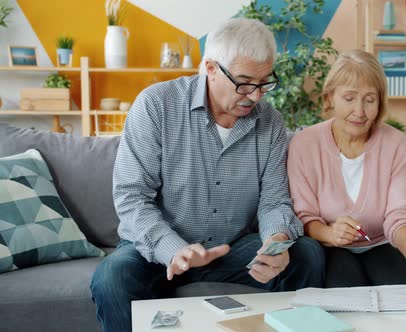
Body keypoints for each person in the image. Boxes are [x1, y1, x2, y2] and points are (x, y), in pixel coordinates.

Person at [90, 18, 324, 332]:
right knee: (112, 278)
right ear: (211, 69)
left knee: (306, 254)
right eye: (244, 82)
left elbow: (274, 202)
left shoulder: (271, 122)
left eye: (264, 82)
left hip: (231, 249)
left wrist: (276, 244)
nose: (255, 96)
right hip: (160, 251)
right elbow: (132, 199)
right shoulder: (156, 106)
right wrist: (174, 249)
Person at [287, 49, 406, 294]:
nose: (360, 111)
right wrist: (329, 233)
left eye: (369, 99)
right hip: (330, 248)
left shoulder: (397, 144)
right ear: (329, 98)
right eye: (349, 98)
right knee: (346, 294)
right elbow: (304, 216)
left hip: (383, 244)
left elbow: (404, 214)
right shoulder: (304, 144)